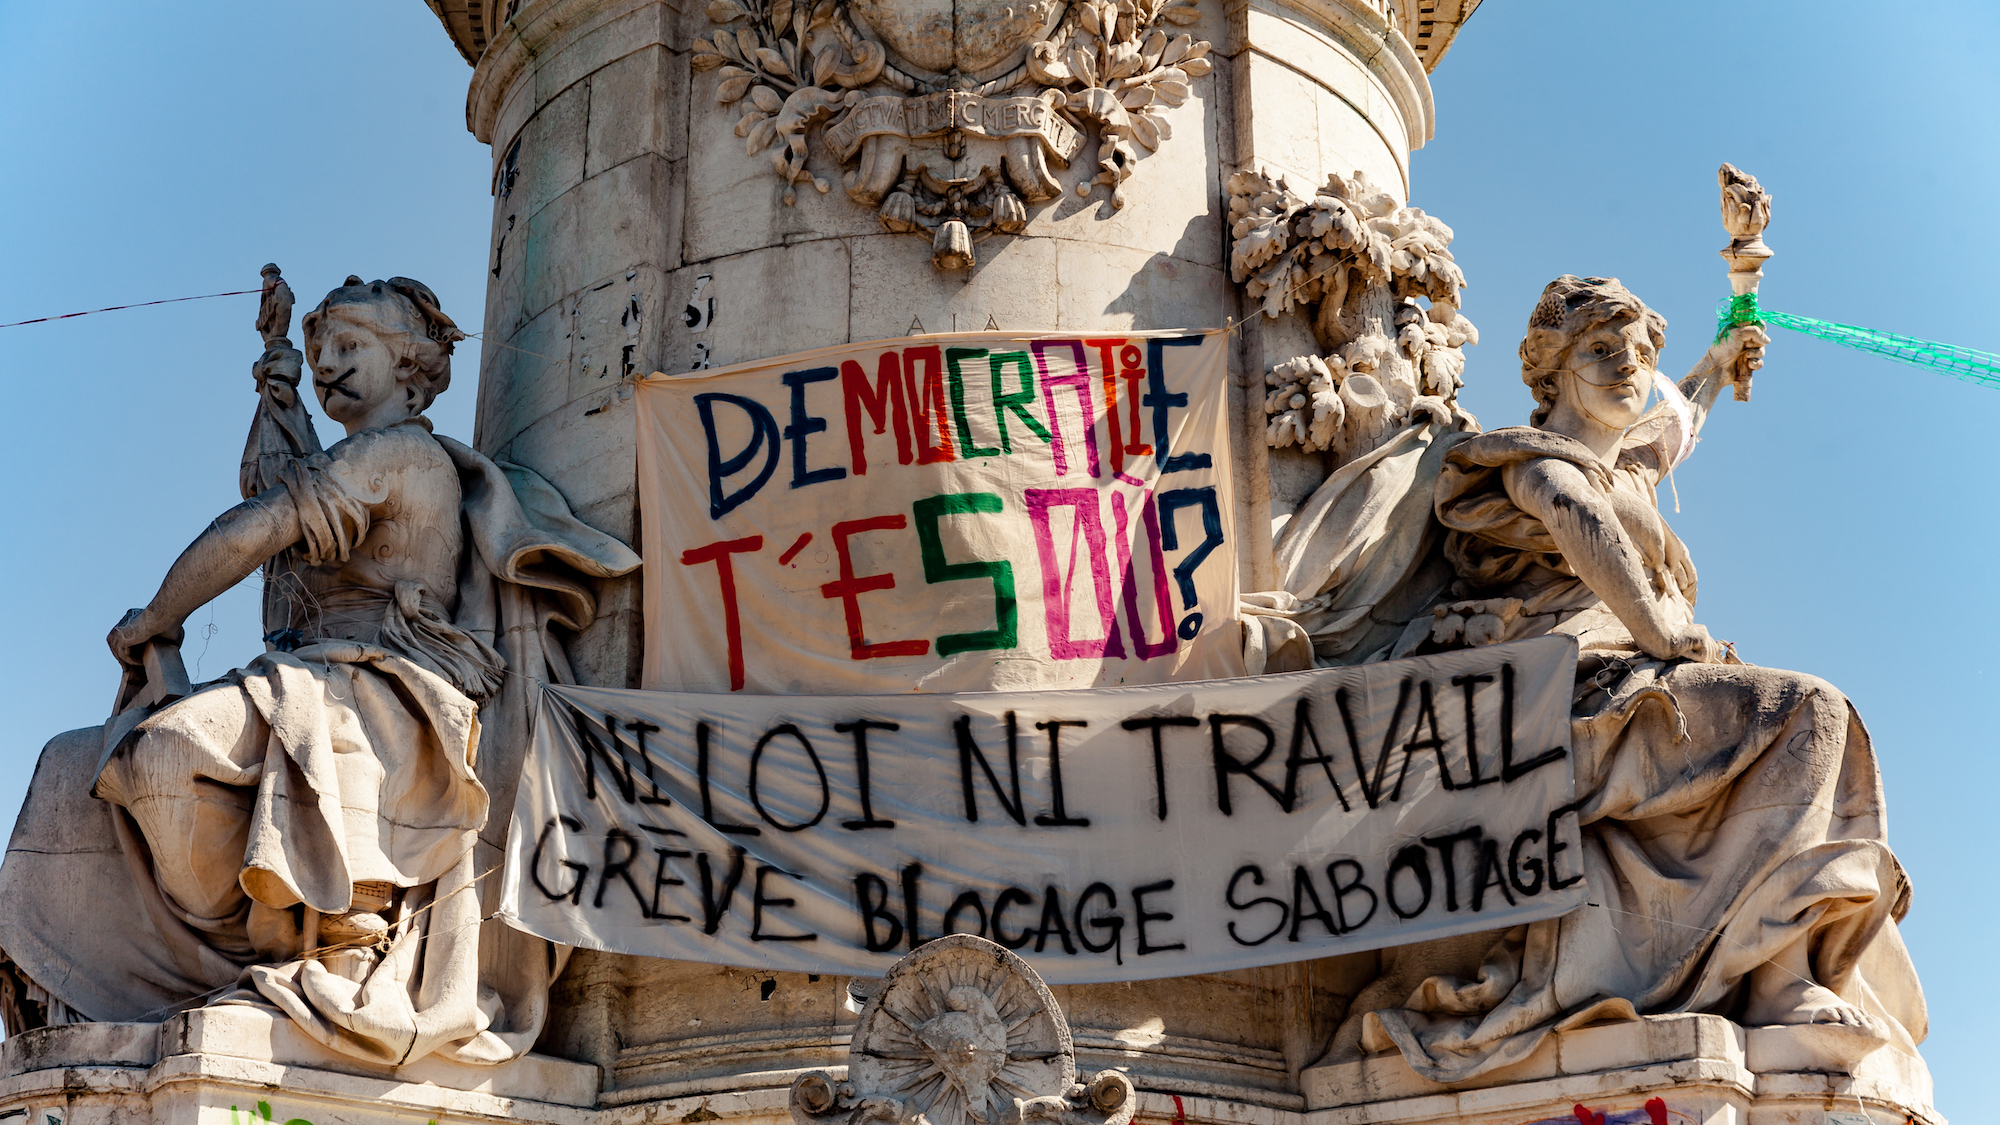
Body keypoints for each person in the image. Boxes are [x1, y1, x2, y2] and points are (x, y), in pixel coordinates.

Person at [0, 276, 639, 1066]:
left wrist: (156, 618)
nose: (328, 364)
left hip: (391, 696)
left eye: (349, 347)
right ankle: (158, 969)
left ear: (408, 365)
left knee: (166, 754)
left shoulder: (401, 454)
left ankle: (334, 929)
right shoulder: (342, 457)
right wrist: (278, 370)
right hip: (315, 680)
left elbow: (254, 529)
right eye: (320, 350)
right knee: (70, 765)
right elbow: (280, 489)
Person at [1343, 275, 1925, 1080]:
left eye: (1640, 353)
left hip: (1630, 688)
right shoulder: (1528, 458)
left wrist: (1717, 362)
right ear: (1551, 368)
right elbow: (1573, 517)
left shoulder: (1630, 473)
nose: (1628, 366)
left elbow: (1673, 425)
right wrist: (1659, 628)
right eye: (1602, 350)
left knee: (1822, 722)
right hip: (1561, 697)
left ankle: (1778, 969)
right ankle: (1773, 979)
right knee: (1808, 710)